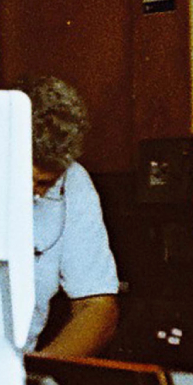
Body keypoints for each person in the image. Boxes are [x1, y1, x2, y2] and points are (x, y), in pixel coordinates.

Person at [22, 75, 119, 356]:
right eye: (27, 180)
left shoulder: (74, 183)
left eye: (45, 185)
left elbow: (97, 306)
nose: (34, 196)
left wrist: (36, 374)